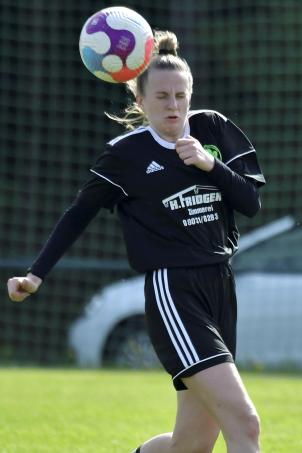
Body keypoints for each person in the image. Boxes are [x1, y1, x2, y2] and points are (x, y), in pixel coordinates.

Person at [6, 31, 265, 453]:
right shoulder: (125, 155)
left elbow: (250, 203)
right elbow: (78, 214)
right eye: (161, 96)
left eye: (181, 95)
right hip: (173, 292)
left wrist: (207, 163)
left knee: (194, 443)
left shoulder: (213, 129)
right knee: (245, 422)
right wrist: (35, 275)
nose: (174, 105)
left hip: (221, 286)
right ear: (139, 101)